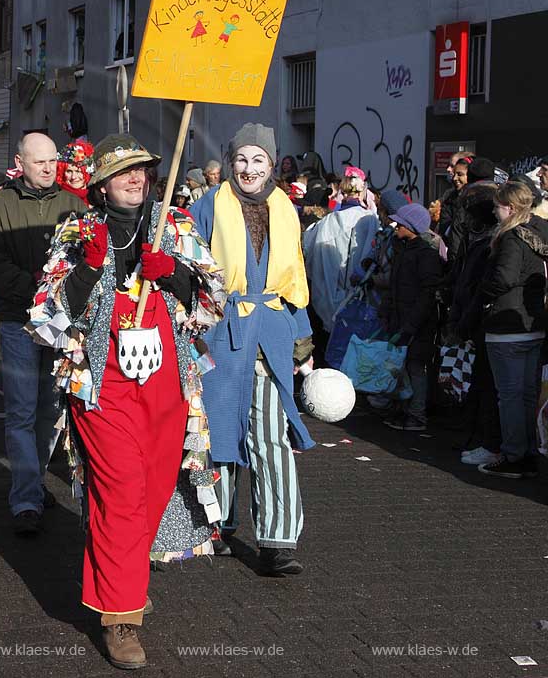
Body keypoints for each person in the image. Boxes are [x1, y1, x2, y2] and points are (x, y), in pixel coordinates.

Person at [28, 133, 224, 668]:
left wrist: (176, 274)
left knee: (154, 491)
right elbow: (47, 316)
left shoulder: (175, 224)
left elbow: (213, 299)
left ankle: (126, 577)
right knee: (121, 493)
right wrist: (90, 269)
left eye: (142, 171)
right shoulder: (78, 230)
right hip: (102, 385)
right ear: (100, 184)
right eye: (123, 172)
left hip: (166, 386)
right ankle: (121, 619)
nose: (136, 180)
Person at [189, 123, 314, 578]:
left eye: (258, 160)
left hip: (271, 334)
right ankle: (215, 523)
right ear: (230, 161)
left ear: (271, 165)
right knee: (218, 430)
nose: (249, 168)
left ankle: (279, 541)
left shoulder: (285, 210)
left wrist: (302, 342)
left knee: (270, 437)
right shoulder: (208, 206)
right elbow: (189, 267)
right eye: (242, 159)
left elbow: (295, 277)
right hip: (220, 331)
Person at [0, 133, 86, 535]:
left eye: (52, 161)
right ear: (20, 162)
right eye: (39, 162)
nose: (48, 168)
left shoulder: (74, 206)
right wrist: (37, 290)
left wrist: (64, 294)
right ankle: (25, 499)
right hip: (19, 321)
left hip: (62, 324)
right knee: (21, 411)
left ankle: (35, 482)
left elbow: (88, 259)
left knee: (51, 410)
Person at [477, 182, 548, 478]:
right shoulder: (540, 233)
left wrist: (482, 294)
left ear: (509, 207)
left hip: (507, 325)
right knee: (528, 394)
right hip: (534, 324)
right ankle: (528, 451)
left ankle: (514, 454)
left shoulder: (510, 237)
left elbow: (503, 277)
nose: (494, 211)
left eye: (497, 206)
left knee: (509, 395)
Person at [446, 183, 502, 466]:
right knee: (473, 381)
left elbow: (476, 289)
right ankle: (472, 435)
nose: (463, 220)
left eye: (468, 214)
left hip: (478, 322)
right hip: (469, 318)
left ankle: (483, 439)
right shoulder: (476, 241)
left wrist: (463, 321)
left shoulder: (487, 245)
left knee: (481, 383)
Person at [379, 204, 443, 432]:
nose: (396, 226)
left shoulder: (424, 254)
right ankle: (405, 409)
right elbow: (394, 288)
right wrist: (387, 313)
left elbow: (427, 294)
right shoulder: (405, 249)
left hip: (417, 324)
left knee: (415, 367)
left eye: (401, 223)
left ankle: (417, 414)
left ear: (412, 227)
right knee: (403, 367)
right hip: (403, 319)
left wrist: (411, 324)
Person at [302, 167, 379, 333]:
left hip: (328, 293)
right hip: (359, 294)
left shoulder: (327, 221)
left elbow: (309, 253)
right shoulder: (369, 219)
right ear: (362, 192)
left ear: (342, 192)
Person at [56, 137, 94, 205]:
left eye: (78, 171)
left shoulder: (98, 197)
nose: (73, 177)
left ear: (87, 172)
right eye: (69, 171)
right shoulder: (58, 199)